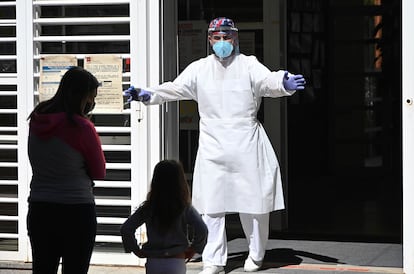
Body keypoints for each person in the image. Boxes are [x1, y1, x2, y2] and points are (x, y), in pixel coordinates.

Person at [124, 17, 306, 274]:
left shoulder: (248, 65)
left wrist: (283, 84)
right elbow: (175, 88)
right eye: (217, 37)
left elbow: (268, 81)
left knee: (253, 204)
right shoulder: (199, 69)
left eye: (227, 37)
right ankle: (214, 260)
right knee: (211, 206)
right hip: (212, 145)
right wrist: (149, 94)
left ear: (236, 38)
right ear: (209, 39)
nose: (222, 42)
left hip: (246, 143)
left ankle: (256, 255)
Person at [27, 66, 106, 274]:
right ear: (82, 96)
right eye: (91, 97)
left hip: (40, 209)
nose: (92, 104)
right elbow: (99, 171)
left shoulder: (37, 119)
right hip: (77, 212)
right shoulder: (82, 127)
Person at [120, 159, 208, 274]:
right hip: (176, 260)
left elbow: (126, 228)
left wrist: (135, 249)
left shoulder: (148, 208)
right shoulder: (184, 208)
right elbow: (202, 229)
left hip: (154, 260)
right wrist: (194, 248)